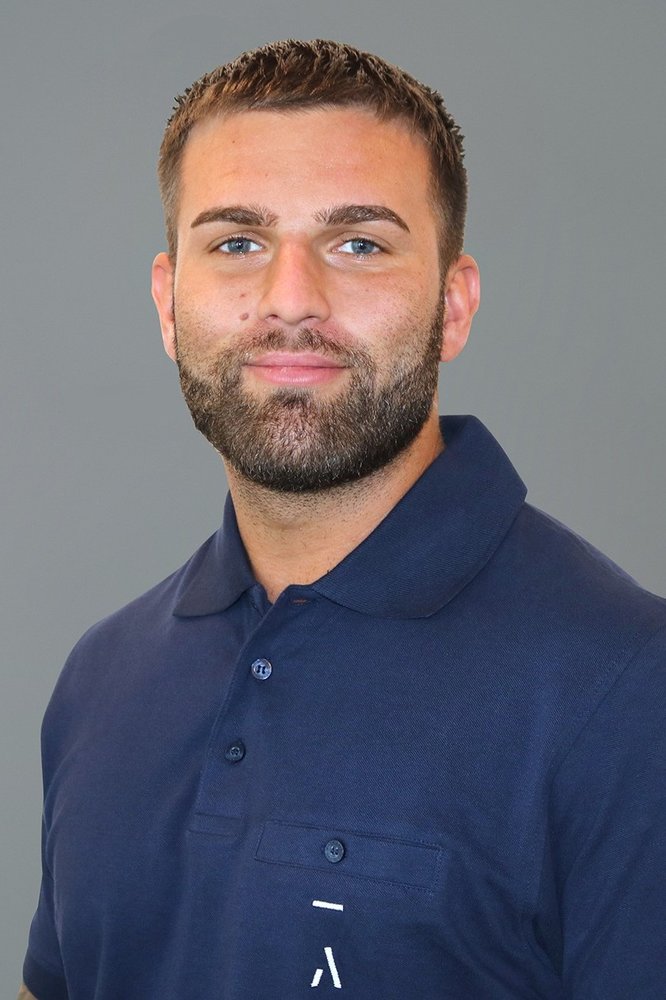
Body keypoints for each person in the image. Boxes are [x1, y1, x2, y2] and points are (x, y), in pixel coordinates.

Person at [19, 38, 666, 1000]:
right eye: (237, 242)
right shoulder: (100, 677)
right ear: (168, 304)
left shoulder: (628, 688)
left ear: (454, 305)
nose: (291, 300)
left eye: (358, 243)